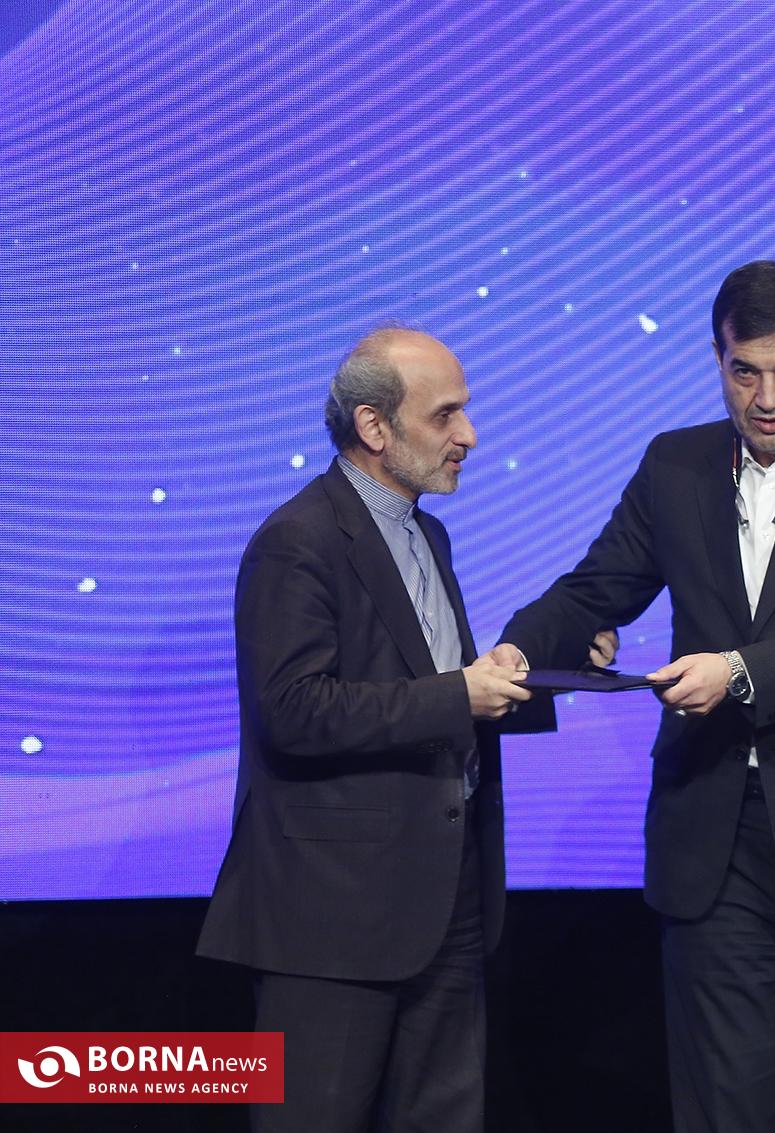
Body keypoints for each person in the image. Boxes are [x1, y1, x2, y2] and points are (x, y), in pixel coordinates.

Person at [495, 260, 775, 1133]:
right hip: (713, 839)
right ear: (718, 358)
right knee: (721, 1111)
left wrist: (738, 670)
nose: (766, 398)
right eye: (745, 371)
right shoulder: (676, 463)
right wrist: (520, 648)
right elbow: (597, 586)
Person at [198, 325, 589, 1132]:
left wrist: (532, 674)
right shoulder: (297, 541)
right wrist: (459, 695)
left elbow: (428, 687)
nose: (468, 435)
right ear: (374, 427)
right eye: (445, 415)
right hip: (333, 918)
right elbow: (293, 710)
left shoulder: (426, 532)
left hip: (446, 896)